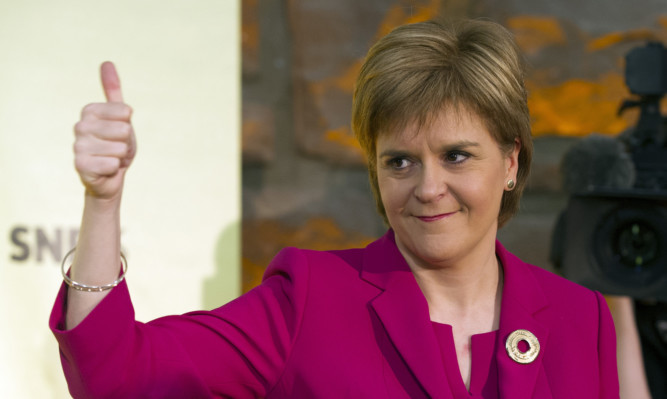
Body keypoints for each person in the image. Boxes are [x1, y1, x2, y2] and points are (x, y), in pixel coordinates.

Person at [50, 19, 619, 398]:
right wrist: (103, 200)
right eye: (400, 161)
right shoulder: (308, 299)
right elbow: (114, 376)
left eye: (456, 155)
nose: (427, 186)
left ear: (511, 161)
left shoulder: (581, 320)